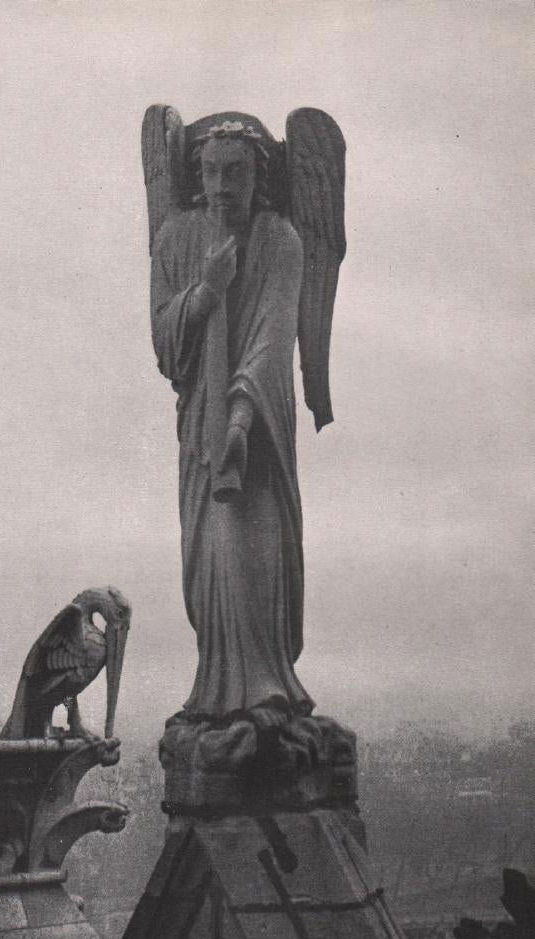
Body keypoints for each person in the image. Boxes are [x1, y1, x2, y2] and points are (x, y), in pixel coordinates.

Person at [150, 120, 313, 720]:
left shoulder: (281, 240)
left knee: (252, 551)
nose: (221, 185)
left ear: (257, 177)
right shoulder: (176, 237)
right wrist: (206, 291)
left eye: (236, 172)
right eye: (211, 171)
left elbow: (275, 337)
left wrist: (240, 423)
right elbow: (164, 342)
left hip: (257, 430)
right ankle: (216, 688)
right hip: (202, 424)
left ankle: (267, 686)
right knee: (210, 555)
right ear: (198, 175)